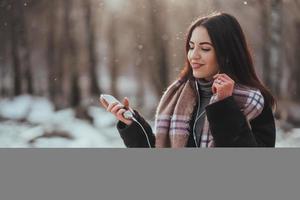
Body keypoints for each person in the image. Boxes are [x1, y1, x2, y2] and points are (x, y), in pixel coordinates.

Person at [100, 12, 276, 148]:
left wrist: (225, 105)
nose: (194, 56)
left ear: (226, 53)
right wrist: (132, 125)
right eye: (191, 47)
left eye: (205, 48)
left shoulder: (253, 100)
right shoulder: (176, 94)